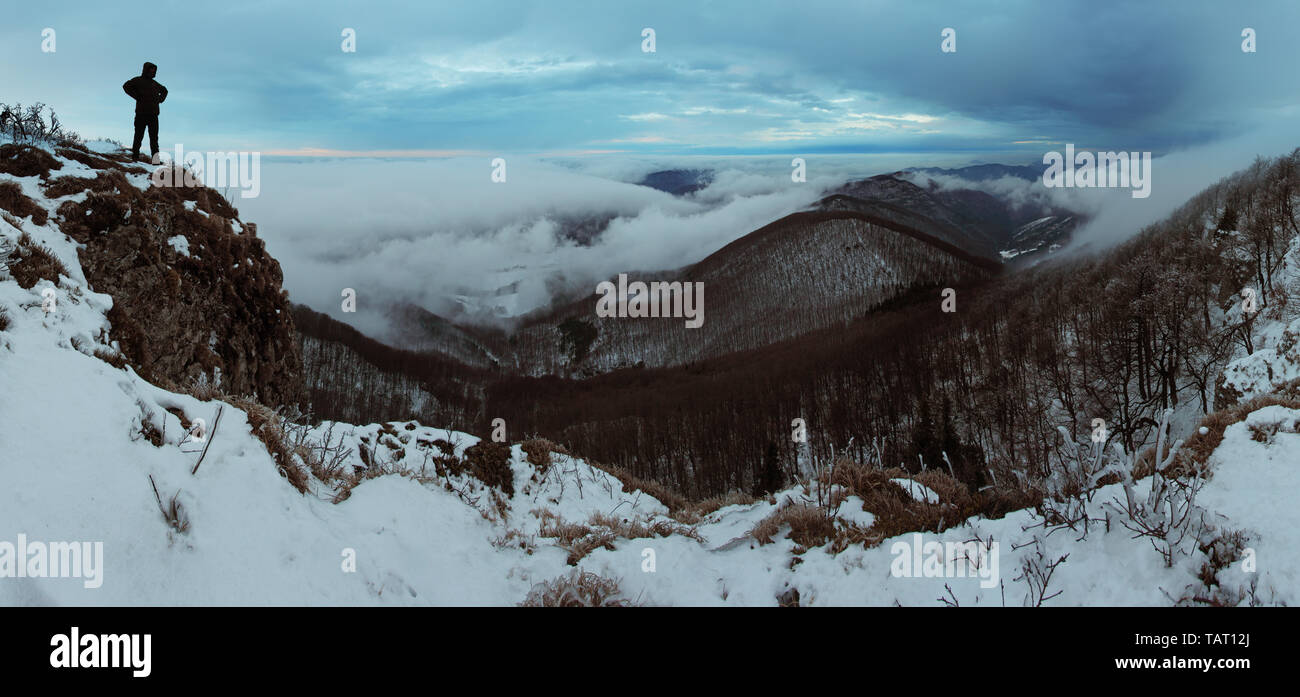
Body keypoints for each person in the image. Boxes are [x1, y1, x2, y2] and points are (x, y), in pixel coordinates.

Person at [122, 62, 168, 162]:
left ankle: (155, 160)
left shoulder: (155, 84)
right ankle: (135, 157)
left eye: (154, 70)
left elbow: (165, 90)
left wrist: (160, 99)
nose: (153, 72)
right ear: (146, 70)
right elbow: (126, 86)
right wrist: (136, 96)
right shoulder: (138, 80)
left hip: (153, 115)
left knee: (154, 139)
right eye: (151, 70)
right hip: (141, 114)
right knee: (138, 136)